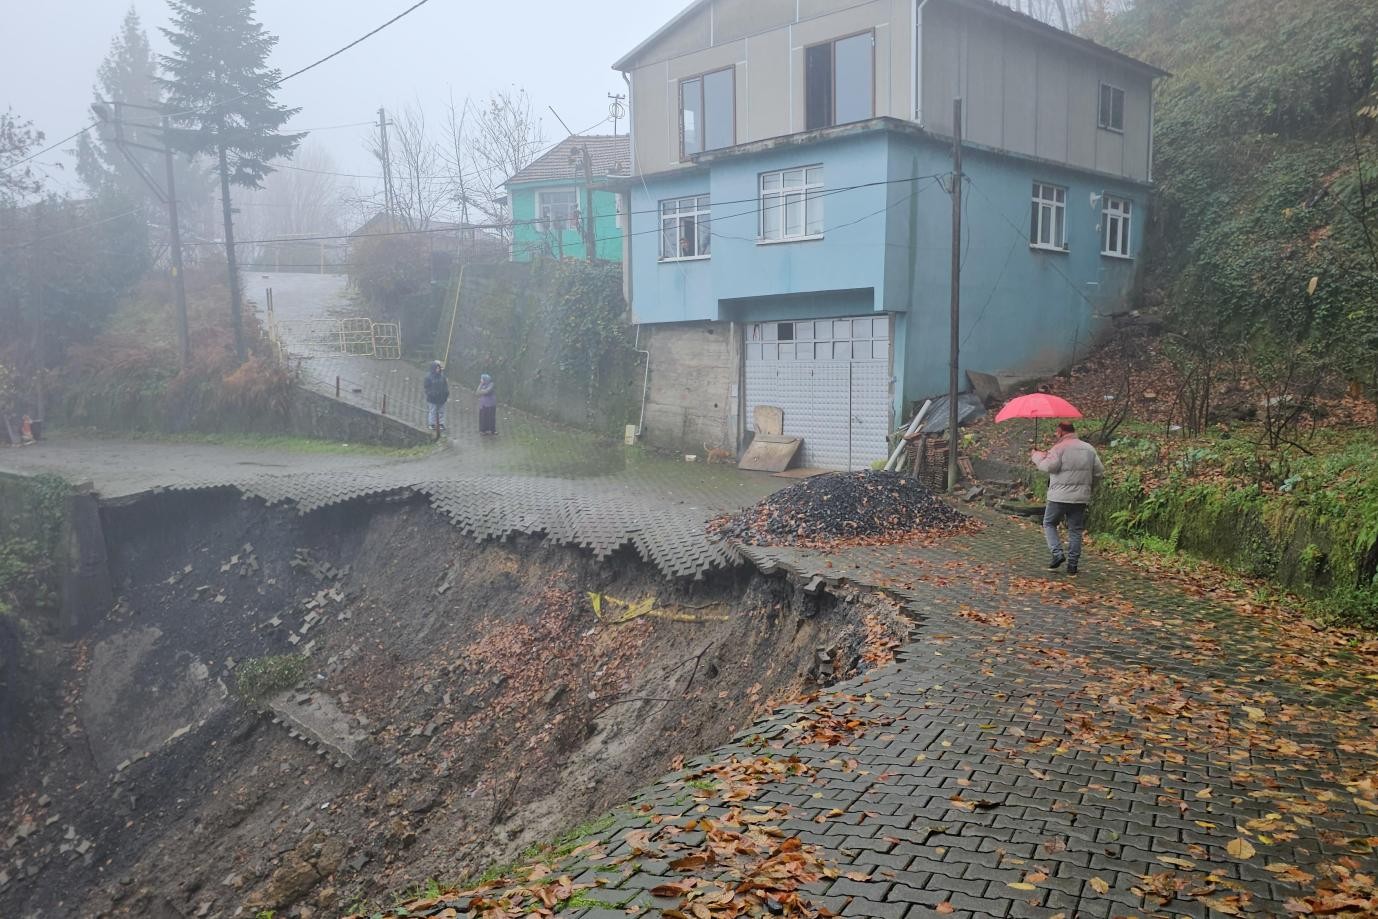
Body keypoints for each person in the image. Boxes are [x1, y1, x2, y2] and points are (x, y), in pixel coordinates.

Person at [1032, 422, 1104, 576]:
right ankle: (1073, 565)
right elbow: (1099, 472)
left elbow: (1048, 467)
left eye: (1057, 432)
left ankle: (1057, 553)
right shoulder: (1089, 448)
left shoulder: (1059, 448)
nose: (1055, 434)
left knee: (1049, 523)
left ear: (1061, 432)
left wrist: (1037, 457)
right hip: (1080, 497)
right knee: (1075, 530)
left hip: (1059, 496)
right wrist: (1088, 487)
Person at [423, 361, 449, 435]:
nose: (438, 369)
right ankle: (432, 424)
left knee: (441, 411)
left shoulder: (442, 377)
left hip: (442, 398)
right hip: (432, 398)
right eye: (436, 368)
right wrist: (431, 394)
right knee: (433, 411)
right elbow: (426, 388)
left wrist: (446, 394)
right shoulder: (428, 377)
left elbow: (445, 386)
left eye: (439, 368)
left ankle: (441, 424)